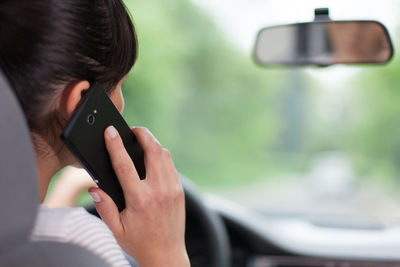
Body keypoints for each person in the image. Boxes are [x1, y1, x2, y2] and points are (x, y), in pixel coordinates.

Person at [0, 1, 190, 267]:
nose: (121, 104)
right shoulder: (79, 242)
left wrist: (67, 187)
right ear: (80, 101)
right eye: (120, 85)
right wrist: (165, 251)